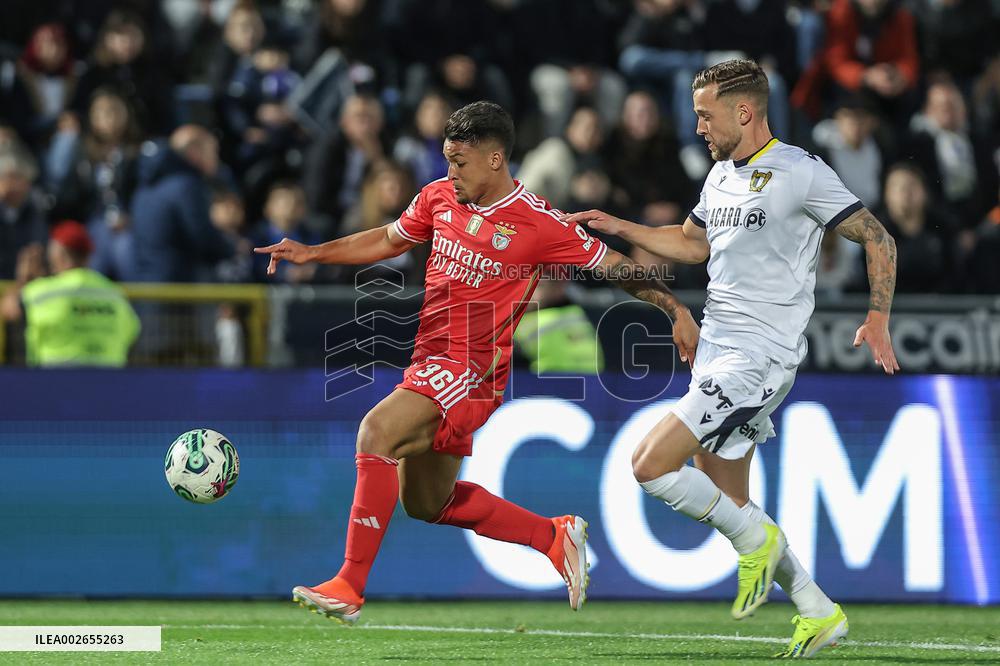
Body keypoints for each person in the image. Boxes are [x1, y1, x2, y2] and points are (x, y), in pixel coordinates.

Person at [255, 101, 699, 624]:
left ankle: (349, 584)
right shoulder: (439, 198)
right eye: (446, 160)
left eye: (459, 162)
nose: (450, 173)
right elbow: (386, 238)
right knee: (426, 503)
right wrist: (313, 252)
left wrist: (674, 308)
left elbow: (616, 266)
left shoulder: (538, 222)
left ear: (494, 159)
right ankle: (552, 536)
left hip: (472, 371)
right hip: (429, 360)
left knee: (375, 432)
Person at [564, 59, 899, 659]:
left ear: (743, 111)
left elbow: (878, 236)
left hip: (759, 358)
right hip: (718, 349)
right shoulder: (719, 176)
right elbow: (693, 243)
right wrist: (623, 225)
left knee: (649, 466)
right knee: (731, 500)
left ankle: (757, 544)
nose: (697, 127)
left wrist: (877, 315)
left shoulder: (799, 171)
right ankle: (818, 611)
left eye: (704, 115)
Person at [1, 220, 140, 367]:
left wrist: (23, 280)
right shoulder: (114, 294)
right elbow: (132, 331)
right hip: (110, 384)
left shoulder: (42, 291)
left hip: (52, 384)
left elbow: (7, 308)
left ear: (59, 254)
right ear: (88, 257)